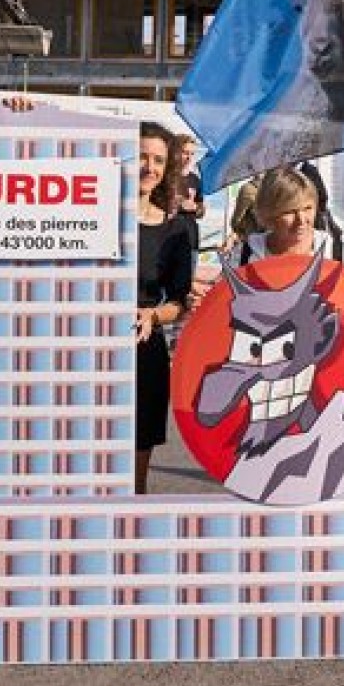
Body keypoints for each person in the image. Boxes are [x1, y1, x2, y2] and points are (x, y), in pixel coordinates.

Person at [133, 121, 201, 493]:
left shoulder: (175, 231)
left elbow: (179, 302)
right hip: (89, 351)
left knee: (135, 475)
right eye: (142, 156)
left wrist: (152, 315)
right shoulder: (93, 215)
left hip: (145, 353)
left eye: (158, 160)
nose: (149, 167)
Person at [165, 130, 205, 221]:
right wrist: (179, 206)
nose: (189, 158)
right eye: (185, 153)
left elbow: (201, 211)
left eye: (192, 154)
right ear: (175, 152)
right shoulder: (164, 176)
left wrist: (196, 208)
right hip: (166, 231)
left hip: (188, 232)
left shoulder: (195, 179)